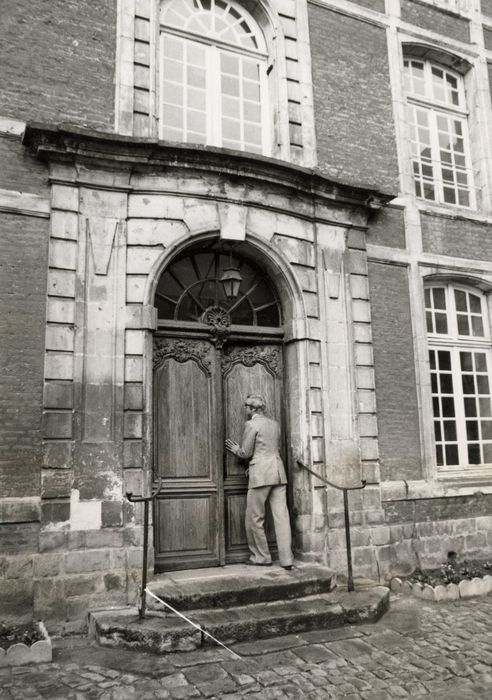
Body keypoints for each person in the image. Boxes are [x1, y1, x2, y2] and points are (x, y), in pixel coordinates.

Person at [225, 394, 294, 570]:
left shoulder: (251, 424)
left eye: (246, 406)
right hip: (278, 472)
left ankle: (262, 557)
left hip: (261, 475)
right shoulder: (274, 424)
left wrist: (235, 449)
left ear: (252, 409)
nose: (245, 409)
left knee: (254, 517)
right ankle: (287, 560)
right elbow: (270, 449)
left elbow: (245, 453)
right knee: (282, 517)